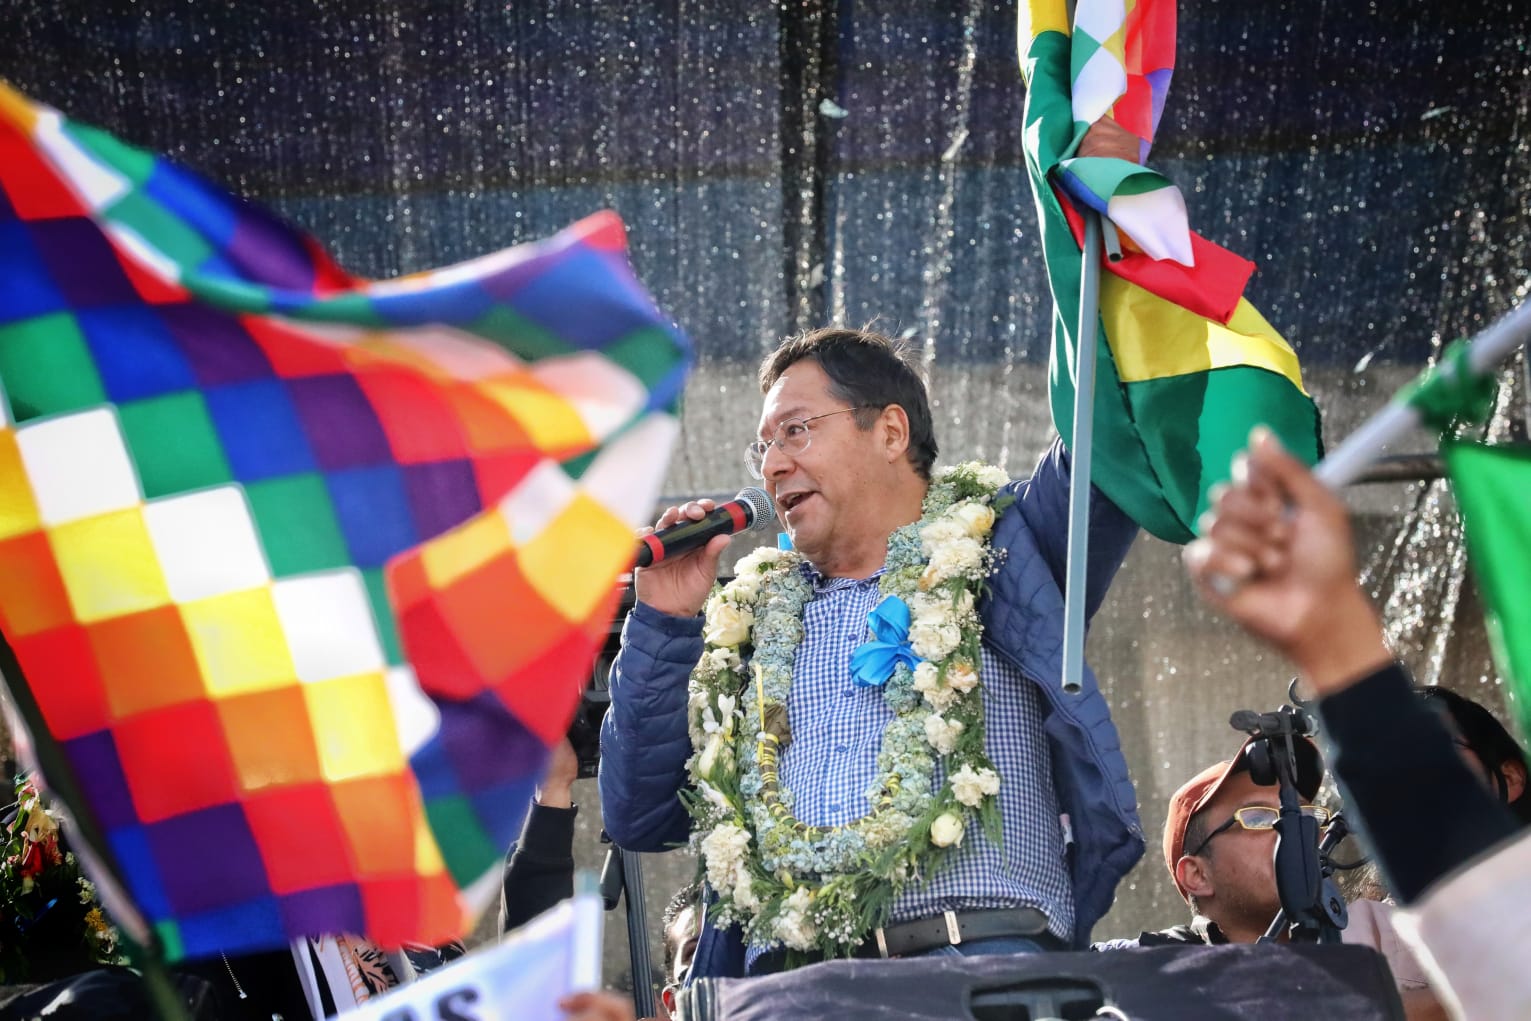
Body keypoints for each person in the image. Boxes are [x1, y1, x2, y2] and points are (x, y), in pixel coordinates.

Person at [600, 325, 1145, 977]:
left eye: (795, 431)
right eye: (764, 446)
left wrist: (1112, 295)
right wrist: (662, 619)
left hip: (975, 970)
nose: (772, 466)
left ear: (889, 432)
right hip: (790, 988)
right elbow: (639, 814)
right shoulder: (747, 622)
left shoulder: (1006, 549)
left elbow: (1109, 429)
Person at [1184, 425, 1528, 1019]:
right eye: (1256, 816)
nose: (1291, 826)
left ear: (1512, 776)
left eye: (1435, 746)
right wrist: (1329, 637)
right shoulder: (1371, 922)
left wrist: (1334, 639)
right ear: (1193, 876)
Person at [1097, 735, 1326, 948]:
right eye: (1257, 818)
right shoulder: (1138, 967)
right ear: (1197, 875)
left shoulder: (1347, 958)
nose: (1295, 829)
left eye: (1305, 815)